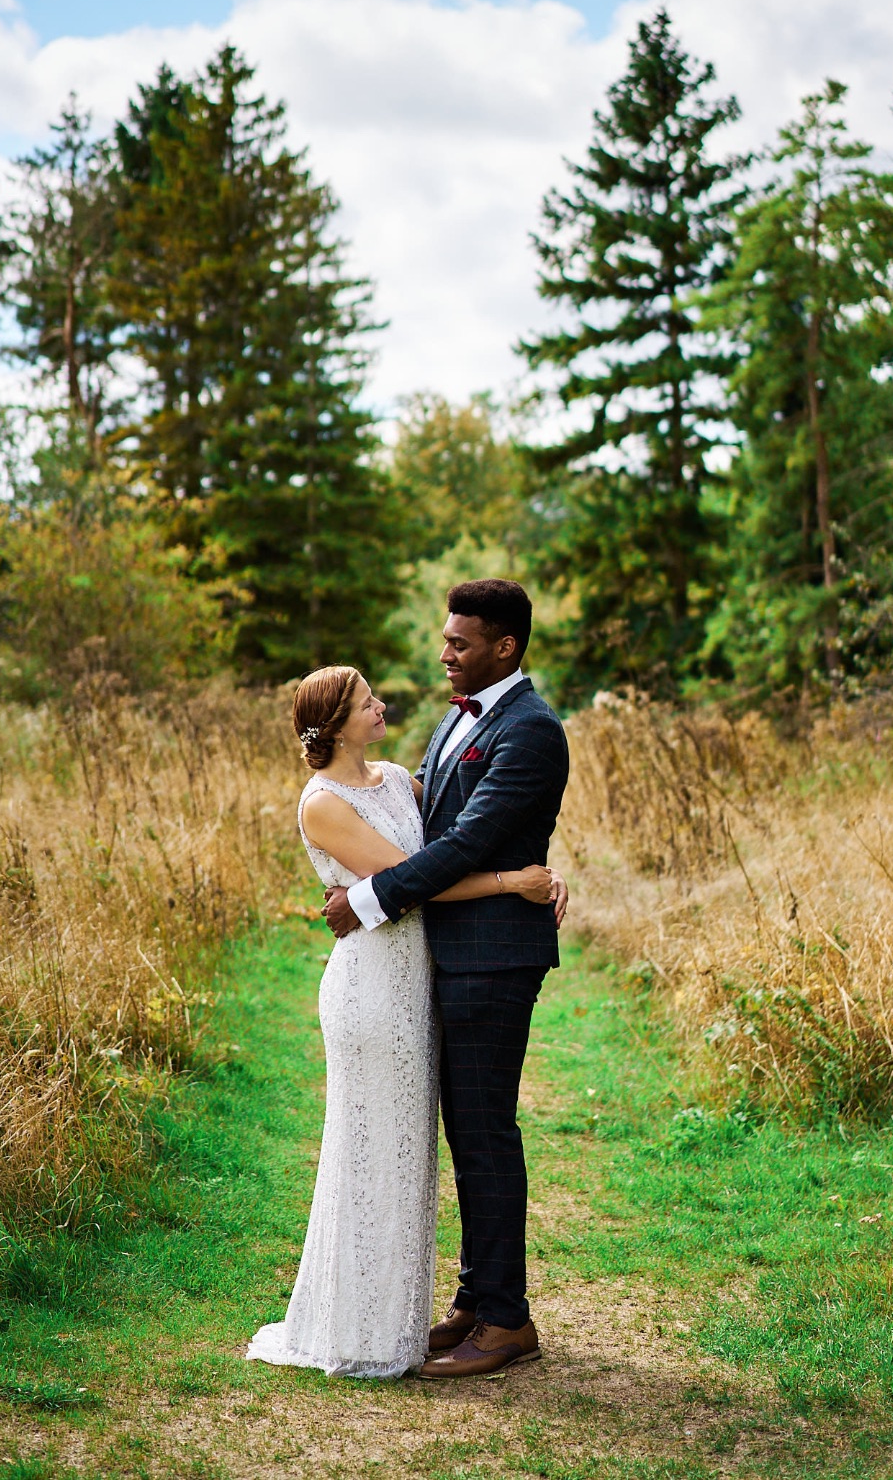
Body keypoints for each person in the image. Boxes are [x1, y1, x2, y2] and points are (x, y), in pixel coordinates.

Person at [246, 658, 566, 1379]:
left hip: (418, 980)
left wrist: (540, 870)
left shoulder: (396, 778)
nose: (381, 706)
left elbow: (466, 833)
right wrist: (513, 883)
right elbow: (416, 880)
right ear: (334, 724)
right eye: (367, 701)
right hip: (371, 987)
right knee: (370, 1148)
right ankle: (359, 1325)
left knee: (412, 1150)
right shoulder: (322, 803)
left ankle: (425, 1310)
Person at [323, 578, 570, 1379]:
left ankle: (507, 1320)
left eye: (459, 642)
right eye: (446, 638)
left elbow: (465, 843)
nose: (444, 654)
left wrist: (367, 899)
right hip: (452, 951)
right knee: (467, 1132)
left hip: (494, 956)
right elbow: (423, 819)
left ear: (504, 645)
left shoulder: (531, 731)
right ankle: (475, 1298)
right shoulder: (458, 718)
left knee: (486, 1132)